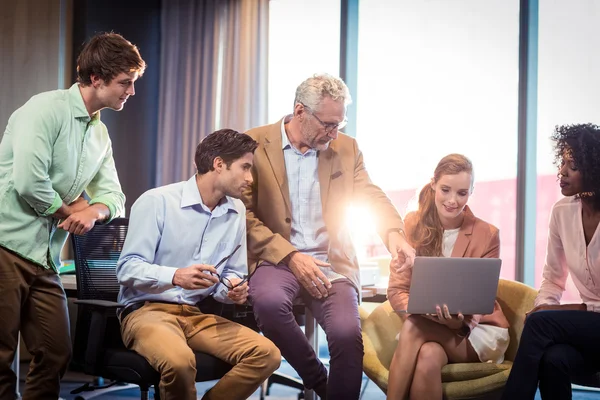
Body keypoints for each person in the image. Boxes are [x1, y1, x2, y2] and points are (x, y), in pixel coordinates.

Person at [242, 73, 415, 399]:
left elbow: (372, 196)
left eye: (340, 124)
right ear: (299, 112)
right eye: (328, 124)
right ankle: (321, 383)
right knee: (268, 305)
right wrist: (292, 257)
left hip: (331, 261)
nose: (334, 133)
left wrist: (395, 237)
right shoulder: (252, 144)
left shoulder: (346, 148)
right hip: (277, 259)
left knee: (349, 336)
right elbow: (244, 216)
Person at [0, 32, 145, 399]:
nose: (131, 91)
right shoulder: (44, 109)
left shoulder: (99, 134)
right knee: (1, 357)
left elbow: (115, 197)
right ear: (96, 78)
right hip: (6, 246)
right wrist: (69, 211)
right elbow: (29, 182)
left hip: (45, 257)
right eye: (125, 82)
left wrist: (92, 212)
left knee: (55, 353)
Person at [117, 129, 280, 400]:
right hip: (147, 312)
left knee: (267, 354)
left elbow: (231, 274)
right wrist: (176, 276)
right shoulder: (157, 202)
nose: (250, 179)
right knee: (180, 362)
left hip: (195, 314)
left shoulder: (236, 210)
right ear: (218, 164)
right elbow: (126, 268)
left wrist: (232, 289)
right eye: (245, 168)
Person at [387, 154, 510, 400]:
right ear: (433, 184)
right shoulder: (412, 225)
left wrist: (457, 322)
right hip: (428, 325)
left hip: (476, 330)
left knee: (413, 329)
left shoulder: (487, 234)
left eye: (462, 193)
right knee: (428, 356)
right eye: (445, 190)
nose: (453, 200)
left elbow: (481, 297)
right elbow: (397, 290)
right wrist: (424, 312)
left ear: (471, 192)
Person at [502, 123, 600, 400]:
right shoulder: (562, 212)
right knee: (554, 358)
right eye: (563, 162)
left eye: (574, 165)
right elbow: (553, 279)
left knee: (541, 323)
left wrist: (556, 313)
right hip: (591, 328)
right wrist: (544, 305)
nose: (562, 172)